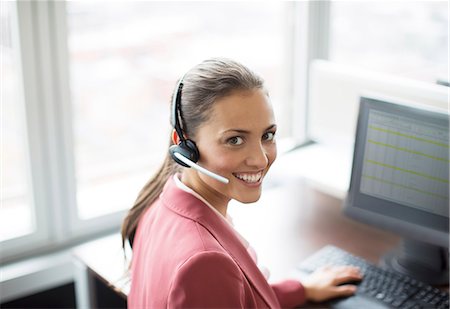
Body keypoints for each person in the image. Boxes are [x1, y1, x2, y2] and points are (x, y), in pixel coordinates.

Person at [122, 58, 362, 308]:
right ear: (185, 146)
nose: (260, 159)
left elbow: (230, 297)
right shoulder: (206, 262)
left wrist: (300, 289)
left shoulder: (163, 201)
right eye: (235, 140)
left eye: (267, 135)